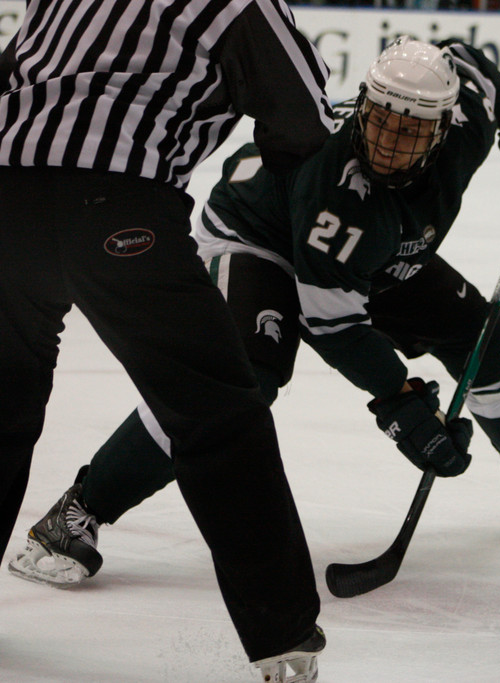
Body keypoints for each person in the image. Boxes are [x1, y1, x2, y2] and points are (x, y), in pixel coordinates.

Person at [7, 36, 500, 590]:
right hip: (258, 237)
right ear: (363, 107)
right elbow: (334, 325)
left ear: (445, 125)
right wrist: (402, 402)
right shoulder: (335, 181)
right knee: (244, 375)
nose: (389, 143)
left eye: (410, 130)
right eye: (380, 122)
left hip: (376, 248)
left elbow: (480, 72)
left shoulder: (466, 103)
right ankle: (79, 511)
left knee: (486, 339)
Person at [0, 1, 335, 680]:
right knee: (216, 409)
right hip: (118, 206)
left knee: (1, 401)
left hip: (7, 194)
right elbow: (302, 117)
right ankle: (282, 635)